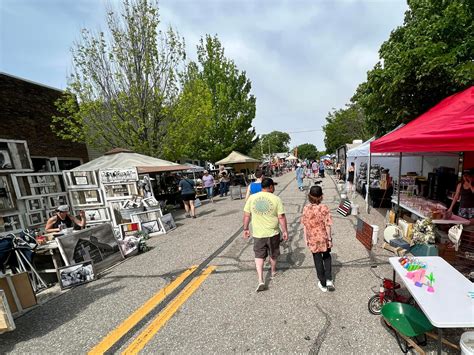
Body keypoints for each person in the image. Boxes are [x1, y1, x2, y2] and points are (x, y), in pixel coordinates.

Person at [243, 178, 288, 292]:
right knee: (273, 253)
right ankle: (273, 272)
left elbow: (247, 215)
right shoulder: (276, 199)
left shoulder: (252, 198)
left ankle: (260, 280)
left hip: (258, 233)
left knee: (259, 255)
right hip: (272, 232)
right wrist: (285, 231)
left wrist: (245, 228)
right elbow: (281, 217)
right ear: (271, 187)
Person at [301, 185, 334, 292]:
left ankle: (323, 283)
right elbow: (328, 225)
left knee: (317, 259)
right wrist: (329, 239)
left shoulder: (306, 209)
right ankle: (329, 279)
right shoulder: (324, 208)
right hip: (323, 237)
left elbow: (305, 225)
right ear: (321, 196)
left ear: (310, 196)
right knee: (327, 256)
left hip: (313, 238)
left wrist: (305, 238)